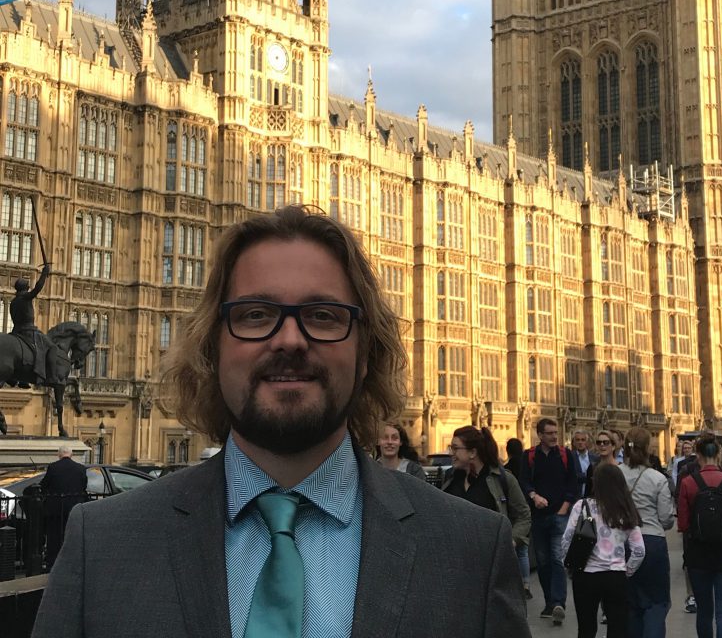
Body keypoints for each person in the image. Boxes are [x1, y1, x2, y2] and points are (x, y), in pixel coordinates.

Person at [33, 206, 530, 638]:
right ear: (212, 347)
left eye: (323, 315)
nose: (290, 339)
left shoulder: (472, 551)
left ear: (365, 355)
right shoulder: (100, 546)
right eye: (255, 314)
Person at [443, 427, 532, 597]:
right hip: (455, 564)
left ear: (472, 453)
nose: (451, 453)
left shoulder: (502, 479)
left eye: (455, 448)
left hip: (490, 565)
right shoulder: (451, 478)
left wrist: (510, 542)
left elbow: (523, 515)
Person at [561, 463, 646, 638]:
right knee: (617, 628)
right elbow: (639, 550)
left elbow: (566, 540)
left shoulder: (582, 506)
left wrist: (570, 566)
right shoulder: (625, 510)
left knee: (586, 628)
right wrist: (626, 571)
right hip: (615, 575)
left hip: (586, 574)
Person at [677, 433, 722, 638]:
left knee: (704, 612)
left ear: (697, 455)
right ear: (719, 454)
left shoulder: (688, 483)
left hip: (698, 555)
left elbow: (682, 524)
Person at [519, 417, 578, 625]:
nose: (555, 436)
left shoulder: (565, 455)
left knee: (557, 559)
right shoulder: (529, 456)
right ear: (540, 435)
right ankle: (549, 602)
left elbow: (574, 482)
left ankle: (558, 603)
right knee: (543, 562)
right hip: (539, 517)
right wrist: (534, 496)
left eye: (556, 433)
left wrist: (564, 508)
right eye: (550, 433)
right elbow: (523, 482)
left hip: (559, 516)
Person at [620, 427, 673, 638]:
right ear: (648, 448)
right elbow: (667, 518)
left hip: (623, 541)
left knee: (631, 604)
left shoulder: (615, 474)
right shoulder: (657, 478)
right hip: (652, 540)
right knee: (656, 603)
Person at [40, 446, 88, 570]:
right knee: (72, 536)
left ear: (59, 455)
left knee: (54, 538)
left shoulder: (53, 467)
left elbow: (44, 485)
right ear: (71, 455)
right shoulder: (81, 468)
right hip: (74, 508)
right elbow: (83, 487)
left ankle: (53, 564)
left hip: (55, 509)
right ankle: (72, 563)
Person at [9, 263, 53, 386]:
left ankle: (19, 378)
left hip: (15, 331)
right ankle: (37, 377)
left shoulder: (13, 302)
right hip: (28, 331)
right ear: (25, 288)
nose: (29, 288)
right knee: (42, 349)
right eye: (28, 287)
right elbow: (38, 288)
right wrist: (44, 273)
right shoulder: (25, 297)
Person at [571, 430, 597, 498]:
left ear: (587, 442)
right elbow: (571, 477)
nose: (580, 442)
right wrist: (587, 477)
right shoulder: (570, 457)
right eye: (577, 440)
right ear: (574, 442)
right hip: (574, 497)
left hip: (591, 497)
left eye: (583, 440)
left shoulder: (595, 458)